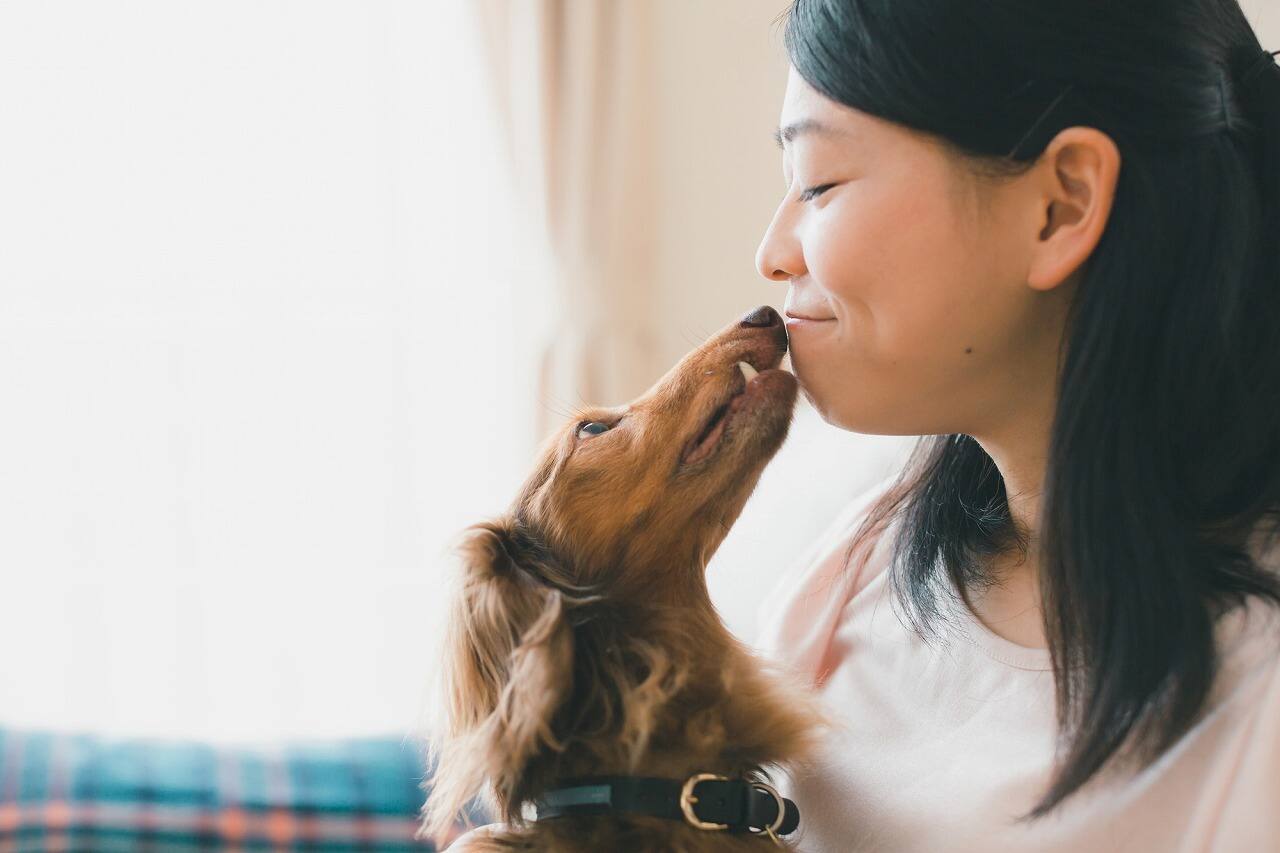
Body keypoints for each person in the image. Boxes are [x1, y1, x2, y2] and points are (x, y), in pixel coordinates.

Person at [750, 0, 1280, 850]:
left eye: (819, 183)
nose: (773, 253)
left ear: (1062, 205)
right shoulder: (849, 582)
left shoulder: (1255, 714)